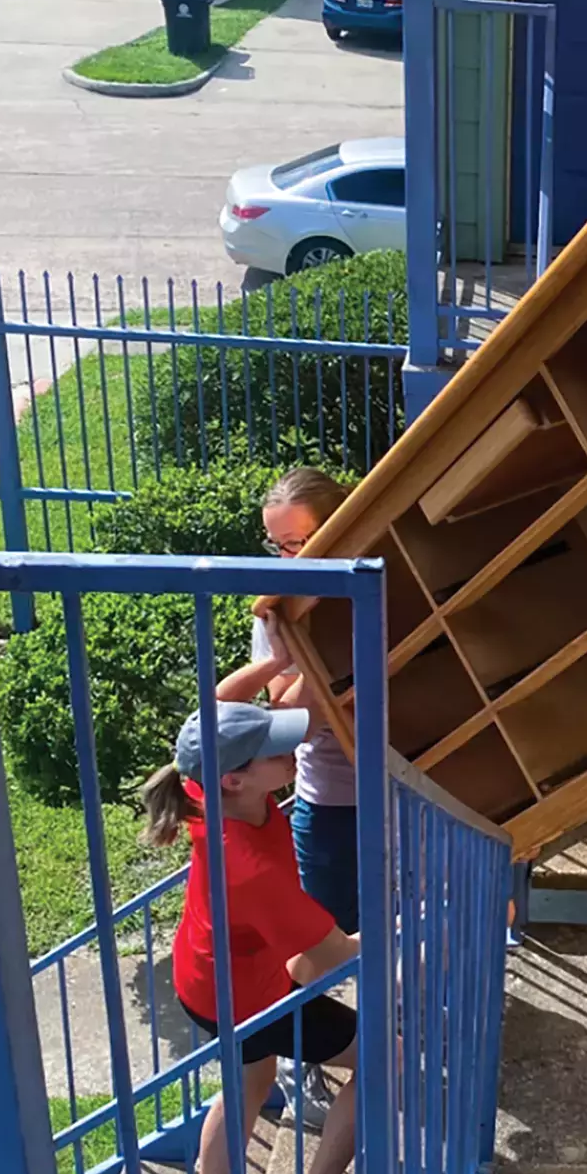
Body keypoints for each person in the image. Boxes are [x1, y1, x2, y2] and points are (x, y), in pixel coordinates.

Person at [141, 701, 360, 1174]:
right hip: (248, 997)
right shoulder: (251, 871)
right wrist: (424, 919)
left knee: (248, 1084)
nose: (293, 750)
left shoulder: (206, 794)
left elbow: (207, 728)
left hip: (208, 977)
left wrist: (284, 662)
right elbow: (338, 954)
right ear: (235, 777)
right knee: (388, 1060)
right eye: (275, 749)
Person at [217, 467, 354, 1130]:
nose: (290, 558)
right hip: (328, 798)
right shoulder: (279, 610)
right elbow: (287, 718)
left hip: (399, 792)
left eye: (301, 541)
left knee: (369, 932)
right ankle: (309, 1074)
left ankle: (385, 1045)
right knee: (310, 944)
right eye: (280, 545)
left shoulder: (370, 584)